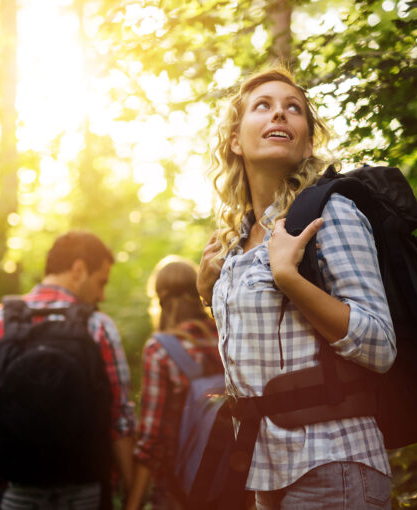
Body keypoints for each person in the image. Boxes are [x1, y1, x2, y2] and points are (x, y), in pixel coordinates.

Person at [196, 68, 397, 509]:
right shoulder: (234, 241)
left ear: (306, 141)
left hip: (335, 462)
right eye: (263, 105)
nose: (280, 113)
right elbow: (262, 345)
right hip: (265, 470)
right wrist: (205, 291)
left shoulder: (330, 213)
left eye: (294, 108)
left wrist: (289, 277)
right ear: (234, 140)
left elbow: (379, 344)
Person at [0, 231, 136, 510]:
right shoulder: (99, 327)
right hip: (85, 490)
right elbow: (120, 418)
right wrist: (131, 489)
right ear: (78, 269)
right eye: (101, 282)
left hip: (14, 490)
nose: (101, 295)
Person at [125, 257, 222, 510]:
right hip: (233, 480)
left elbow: (151, 439)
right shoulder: (225, 335)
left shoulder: (161, 349)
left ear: (160, 298)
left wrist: (133, 503)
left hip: (179, 488)